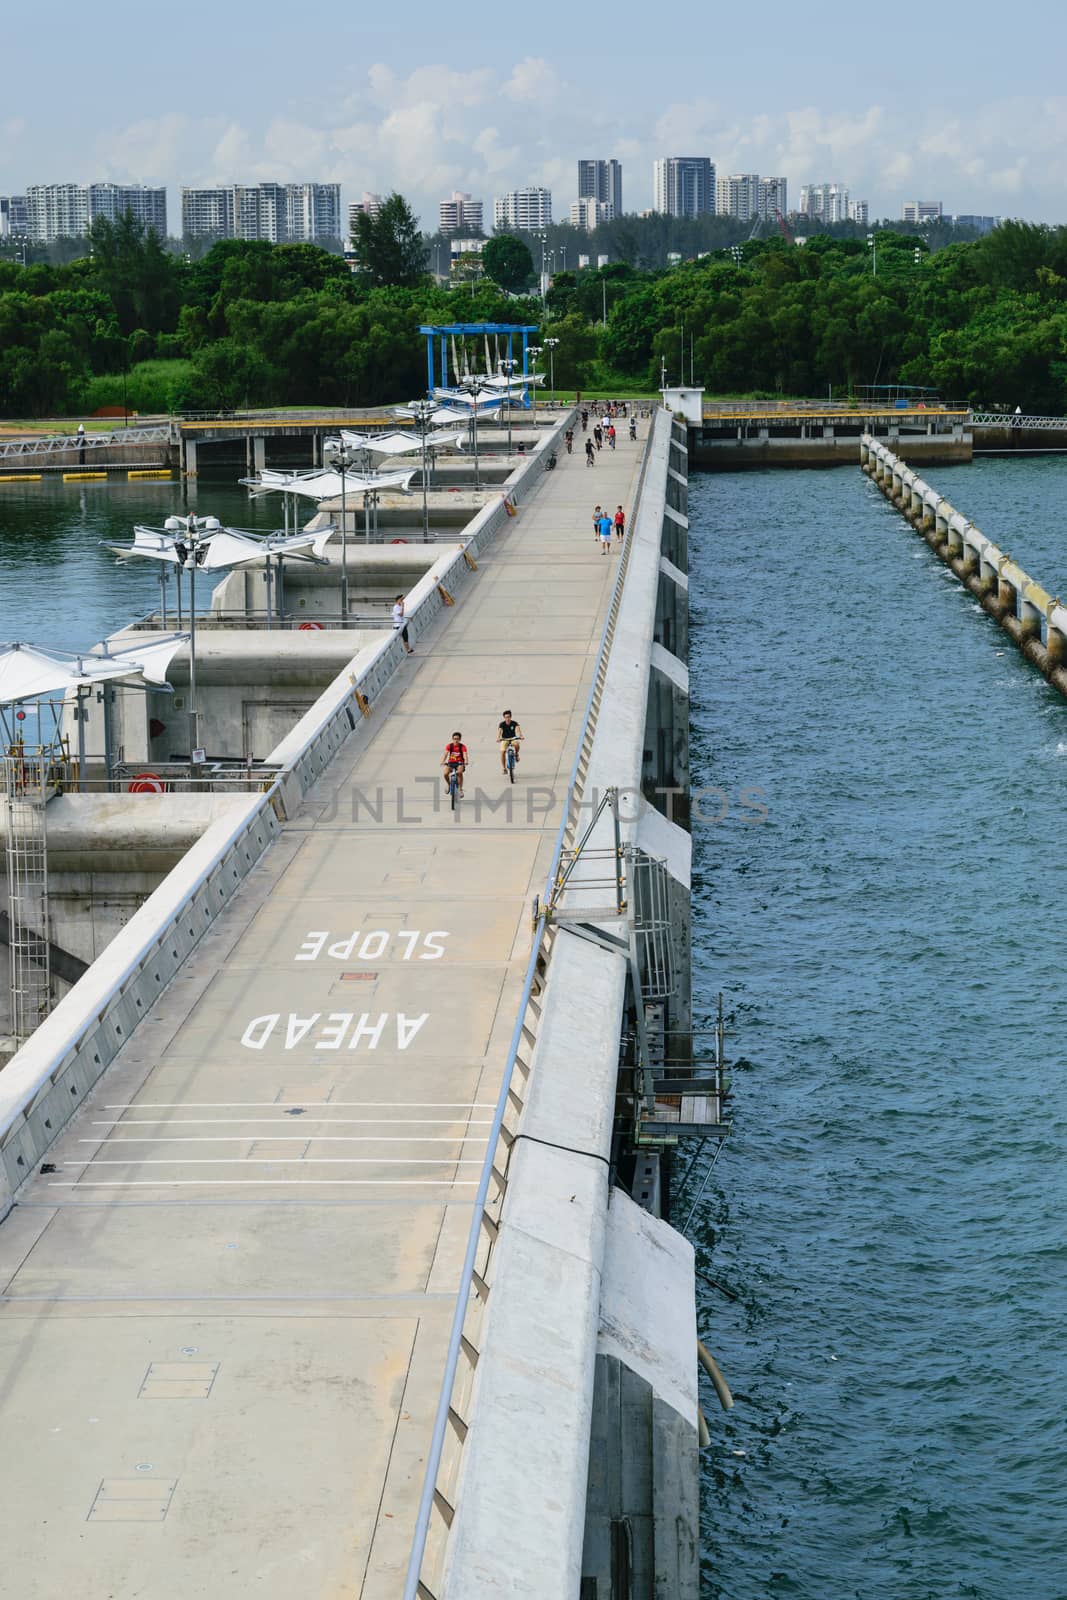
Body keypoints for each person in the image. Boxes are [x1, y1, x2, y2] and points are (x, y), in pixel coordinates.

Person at [441, 730, 468, 796]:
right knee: (445, 773)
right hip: (451, 763)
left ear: (460, 739)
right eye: (454, 739)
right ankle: (448, 784)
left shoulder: (462, 746)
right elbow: (445, 754)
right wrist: (443, 761)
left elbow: (465, 754)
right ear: (452, 739)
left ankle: (460, 789)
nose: (456, 740)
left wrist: (466, 761)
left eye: (457, 739)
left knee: (459, 772)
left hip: (460, 763)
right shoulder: (449, 746)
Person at [497, 708, 524, 773]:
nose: (507, 719)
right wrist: (498, 738)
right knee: (502, 752)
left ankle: (516, 754)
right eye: (506, 717)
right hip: (504, 739)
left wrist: (521, 735)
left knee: (517, 744)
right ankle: (504, 768)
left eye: (508, 717)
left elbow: (518, 729)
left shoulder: (514, 723)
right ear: (504, 717)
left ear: (511, 717)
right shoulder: (502, 724)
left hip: (513, 738)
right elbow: (500, 731)